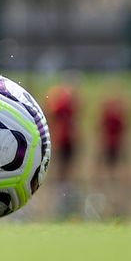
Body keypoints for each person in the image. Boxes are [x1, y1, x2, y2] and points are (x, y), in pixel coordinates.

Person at [45, 81, 81, 215]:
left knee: (68, 167)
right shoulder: (63, 103)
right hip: (62, 140)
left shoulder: (72, 104)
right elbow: (52, 112)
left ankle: (67, 191)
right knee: (61, 167)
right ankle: (60, 192)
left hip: (69, 140)